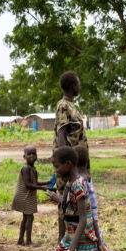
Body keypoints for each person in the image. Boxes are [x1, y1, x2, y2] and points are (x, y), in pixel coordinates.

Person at [53, 71, 87, 241]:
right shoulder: (63, 106)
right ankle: (62, 243)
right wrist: (65, 164)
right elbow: (61, 135)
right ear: (73, 86)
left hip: (75, 164)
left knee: (74, 202)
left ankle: (72, 241)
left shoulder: (72, 106)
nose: (80, 86)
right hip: (68, 164)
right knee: (64, 203)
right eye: (78, 83)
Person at [11, 146, 48, 246]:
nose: (32, 156)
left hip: (26, 195)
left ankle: (20, 240)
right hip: (24, 196)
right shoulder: (26, 168)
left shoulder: (31, 167)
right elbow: (28, 184)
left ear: (36, 156)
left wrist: (45, 183)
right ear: (24, 156)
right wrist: (42, 188)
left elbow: (34, 182)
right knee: (30, 217)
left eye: (34, 153)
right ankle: (28, 241)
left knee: (26, 218)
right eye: (29, 154)